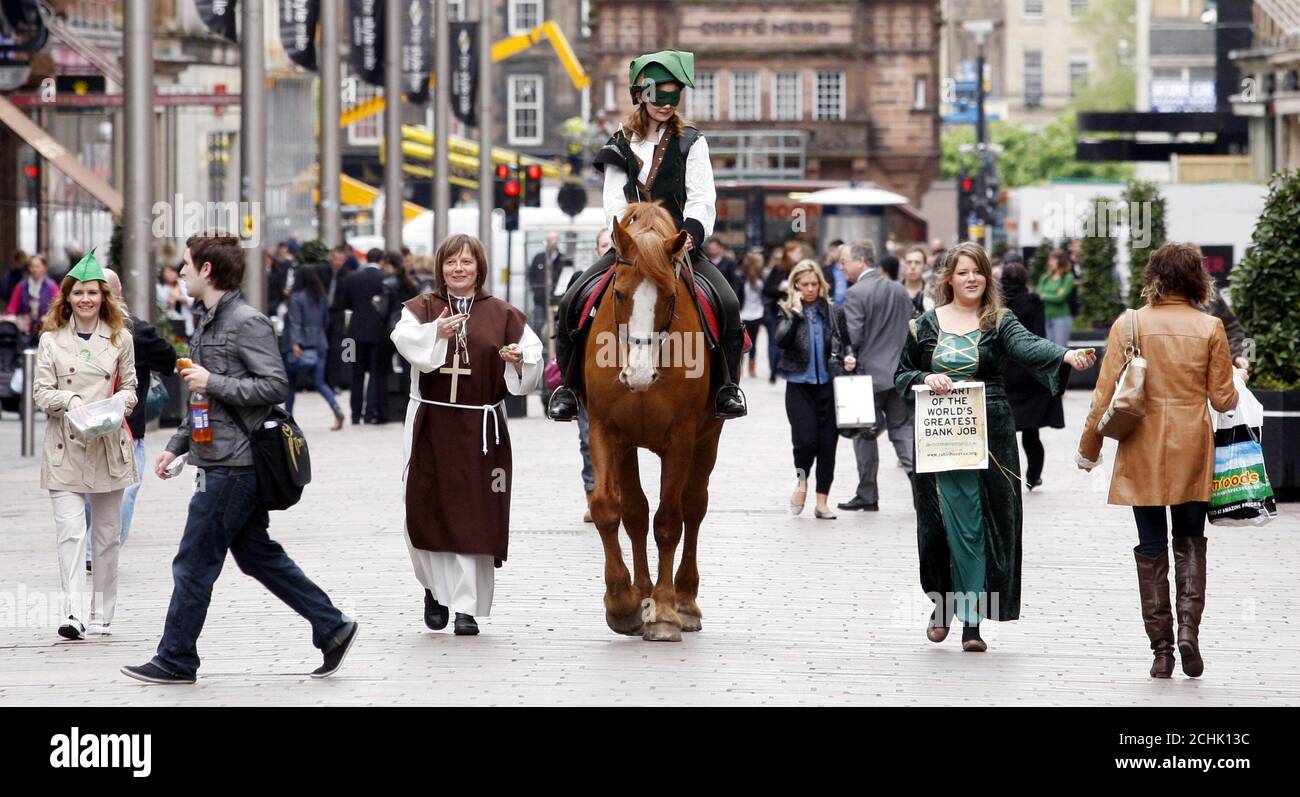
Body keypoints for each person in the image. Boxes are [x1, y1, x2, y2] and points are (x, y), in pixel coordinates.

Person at [123, 233, 357, 684]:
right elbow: (201, 394)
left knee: (193, 561)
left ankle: (176, 657)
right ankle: (332, 627)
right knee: (256, 555)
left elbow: (273, 387)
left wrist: (214, 383)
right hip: (219, 455)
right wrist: (179, 444)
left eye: (188, 264)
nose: (182, 271)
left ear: (208, 270)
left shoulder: (246, 322)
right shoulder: (209, 321)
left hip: (236, 464)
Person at [896, 241, 1095, 652]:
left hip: (989, 435)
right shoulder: (925, 325)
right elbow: (902, 374)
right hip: (937, 437)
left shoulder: (998, 320)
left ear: (988, 277)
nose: (972, 279)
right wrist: (924, 379)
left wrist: (1065, 355)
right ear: (949, 278)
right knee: (937, 527)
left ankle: (971, 621)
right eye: (963, 272)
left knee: (978, 524)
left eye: (979, 271)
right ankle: (941, 604)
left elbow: (1028, 346)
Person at [548, 49, 747, 421]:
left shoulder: (692, 141)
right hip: (631, 247)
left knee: (729, 303)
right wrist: (626, 238)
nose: (666, 106)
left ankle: (726, 387)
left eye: (674, 97)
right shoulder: (619, 142)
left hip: (678, 245)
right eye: (659, 97)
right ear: (640, 94)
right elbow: (613, 200)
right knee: (574, 299)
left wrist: (690, 234)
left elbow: (703, 196)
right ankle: (568, 388)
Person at [1076, 242, 1241, 680]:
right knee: (1189, 541)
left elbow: (1104, 395)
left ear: (1155, 277)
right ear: (1196, 281)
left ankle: (1162, 651)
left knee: (1151, 548)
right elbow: (1223, 399)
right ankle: (1189, 630)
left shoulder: (1128, 325)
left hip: (1141, 448)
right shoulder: (1210, 327)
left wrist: (1089, 449)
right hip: (1191, 448)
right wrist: (1238, 376)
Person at [391, 233, 544, 635]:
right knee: (426, 508)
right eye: (451, 262)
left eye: (466, 262)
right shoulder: (422, 308)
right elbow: (403, 339)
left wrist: (518, 359)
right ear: (440, 267)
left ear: (480, 268)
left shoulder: (503, 313)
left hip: (480, 427)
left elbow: (533, 353)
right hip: (432, 420)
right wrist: (434, 335)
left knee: (473, 514)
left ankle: (465, 608)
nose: (458, 269)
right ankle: (433, 589)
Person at [32, 251, 138, 640]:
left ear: (104, 296)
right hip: (64, 446)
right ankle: (74, 613)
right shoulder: (50, 341)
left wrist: (120, 404)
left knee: (107, 535)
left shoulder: (121, 338)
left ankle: (102, 612)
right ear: (67, 297)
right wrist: (69, 401)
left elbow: (131, 387)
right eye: (78, 293)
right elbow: (41, 392)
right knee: (71, 533)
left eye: (93, 293)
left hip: (108, 445)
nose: (86, 300)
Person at [84, 268, 177, 573]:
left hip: (86, 425)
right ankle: (100, 549)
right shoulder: (138, 332)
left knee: (90, 489)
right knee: (127, 486)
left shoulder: (74, 332)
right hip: (126, 426)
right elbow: (169, 359)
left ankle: (91, 547)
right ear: (120, 291)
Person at [837, 241, 916, 513]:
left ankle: (867, 493)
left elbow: (855, 336)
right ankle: (921, 489)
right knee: (903, 431)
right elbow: (911, 328)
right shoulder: (898, 289)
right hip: (898, 374)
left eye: (845, 261)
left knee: (864, 435)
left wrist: (848, 354)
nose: (842, 266)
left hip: (867, 376)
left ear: (861, 261)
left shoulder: (855, 293)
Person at [775, 259, 849, 520]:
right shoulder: (786, 312)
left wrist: (848, 357)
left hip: (829, 387)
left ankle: (822, 502)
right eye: (804, 284)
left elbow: (846, 343)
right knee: (805, 442)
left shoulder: (833, 312)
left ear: (821, 285)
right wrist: (795, 313)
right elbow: (781, 341)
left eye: (814, 284)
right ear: (795, 286)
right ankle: (801, 482)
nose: (809, 289)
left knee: (828, 445)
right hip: (799, 386)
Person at [999, 262, 1062, 490]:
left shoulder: (996, 303)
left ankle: (1007, 478)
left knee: (1002, 432)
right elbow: (1039, 336)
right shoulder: (1034, 303)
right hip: (1028, 374)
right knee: (1030, 432)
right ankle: (1033, 476)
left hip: (1003, 373)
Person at [285, 265, 345, 429]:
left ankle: (288, 420)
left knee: (290, 384)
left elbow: (295, 322)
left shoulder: (296, 297)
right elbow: (325, 322)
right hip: (320, 343)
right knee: (320, 383)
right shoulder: (321, 297)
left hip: (302, 346)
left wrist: (295, 343)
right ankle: (336, 409)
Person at [339, 248, 389, 424]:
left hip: (354, 333)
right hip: (377, 333)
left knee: (356, 373)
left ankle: (355, 414)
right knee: (375, 373)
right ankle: (370, 412)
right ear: (381, 260)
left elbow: (345, 304)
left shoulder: (352, 277)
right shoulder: (384, 279)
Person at [7, 254, 59, 345]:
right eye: (32, 266)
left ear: (44, 268)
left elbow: (59, 307)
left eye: (38, 266)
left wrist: (49, 318)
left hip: (46, 331)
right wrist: (17, 319)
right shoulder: (21, 286)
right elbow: (11, 309)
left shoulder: (52, 286)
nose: (34, 269)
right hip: (25, 332)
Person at [528, 232, 570, 341]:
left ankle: (556, 351)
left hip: (557, 299)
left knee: (558, 325)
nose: (552, 242)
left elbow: (567, 276)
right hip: (540, 299)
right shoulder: (539, 258)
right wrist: (537, 291)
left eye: (554, 239)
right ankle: (539, 351)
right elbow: (531, 275)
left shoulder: (563, 259)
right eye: (550, 240)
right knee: (538, 325)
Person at [324, 244, 351, 390]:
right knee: (323, 348)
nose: (337, 262)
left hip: (338, 314)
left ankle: (333, 382)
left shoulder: (347, 275)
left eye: (341, 260)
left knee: (335, 349)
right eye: (335, 259)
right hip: (322, 313)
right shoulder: (324, 272)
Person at [738, 252, 766, 380]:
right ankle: (740, 368)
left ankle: (751, 368)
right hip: (744, 314)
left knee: (753, 342)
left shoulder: (762, 278)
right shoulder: (741, 278)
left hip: (757, 314)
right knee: (741, 342)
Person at [1038, 249, 1074, 348]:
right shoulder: (1045, 277)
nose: (1049, 262)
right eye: (1049, 259)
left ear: (1061, 261)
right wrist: (1054, 294)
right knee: (1048, 350)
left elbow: (1060, 298)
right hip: (1045, 318)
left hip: (1061, 319)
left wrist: (1044, 295)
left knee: (1060, 349)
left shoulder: (1068, 277)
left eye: (1053, 259)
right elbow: (1038, 295)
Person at [156, 262, 194, 338]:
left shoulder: (182, 283)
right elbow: (162, 305)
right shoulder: (159, 288)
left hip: (185, 321)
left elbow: (191, 300)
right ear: (163, 274)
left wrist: (177, 297)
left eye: (173, 271)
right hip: (168, 322)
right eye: (168, 272)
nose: (171, 274)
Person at [902, 245, 933, 316]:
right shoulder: (895, 292)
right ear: (904, 265)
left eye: (917, 262)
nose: (913, 267)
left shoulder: (934, 294)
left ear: (925, 266)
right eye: (909, 262)